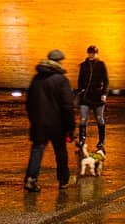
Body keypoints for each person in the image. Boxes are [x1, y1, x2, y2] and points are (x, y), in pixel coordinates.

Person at [23, 48, 75, 191]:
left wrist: (34, 119)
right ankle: (63, 180)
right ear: (59, 62)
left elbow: (29, 102)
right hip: (57, 124)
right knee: (60, 151)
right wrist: (70, 126)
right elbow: (67, 105)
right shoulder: (61, 80)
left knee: (37, 149)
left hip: (39, 122)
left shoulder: (36, 78)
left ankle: (31, 179)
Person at [76, 44, 109, 151]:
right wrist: (80, 91)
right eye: (90, 52)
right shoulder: (83, 65)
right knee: (83, 119)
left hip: (98, 96)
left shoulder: (101, 65)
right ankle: (82, 140)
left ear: (96, 54)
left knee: (99, 119)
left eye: (93, 53)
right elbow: (80, 80)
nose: (91, 54)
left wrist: (104, 94)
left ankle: (101, 141)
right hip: (86, 96)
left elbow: (106, 81)